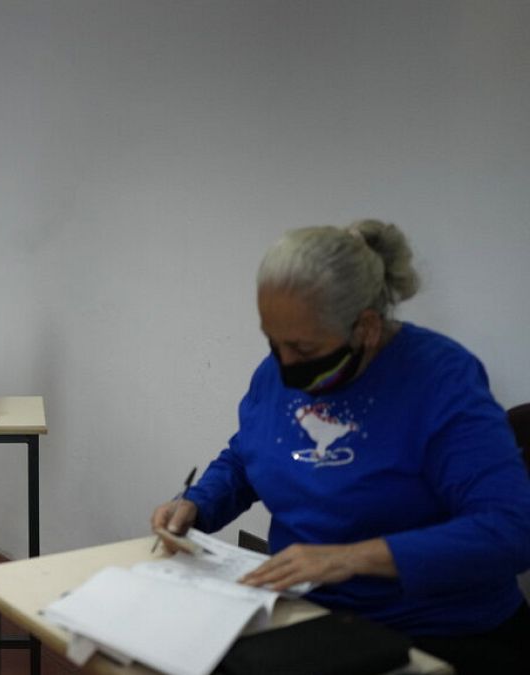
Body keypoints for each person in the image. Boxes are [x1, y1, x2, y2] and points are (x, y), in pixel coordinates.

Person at [151, 220, 530, 674]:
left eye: (304, 350)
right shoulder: (278, 371)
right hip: (310, 613)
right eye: (274, 343)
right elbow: (249, 454)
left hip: (437, 631)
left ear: (366, 327)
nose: (285, 366)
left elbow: (510, 528)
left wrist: (351, 559)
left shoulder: (441, 380)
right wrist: (198, 503)